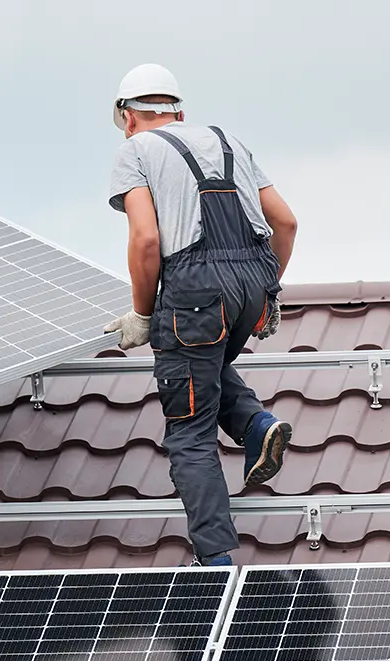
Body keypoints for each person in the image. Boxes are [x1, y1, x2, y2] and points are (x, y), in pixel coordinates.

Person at [103, 64, 299, 566]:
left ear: (127, 117)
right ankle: (256, 426)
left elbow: (146, 239)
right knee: (202, 362)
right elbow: (285, 221)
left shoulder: (135, 151)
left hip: (195, 290)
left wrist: (144, 314)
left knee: (189, 433)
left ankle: (214, 562)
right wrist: (267, 290)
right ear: (179, 111)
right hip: (254, 280)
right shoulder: (227, 140)